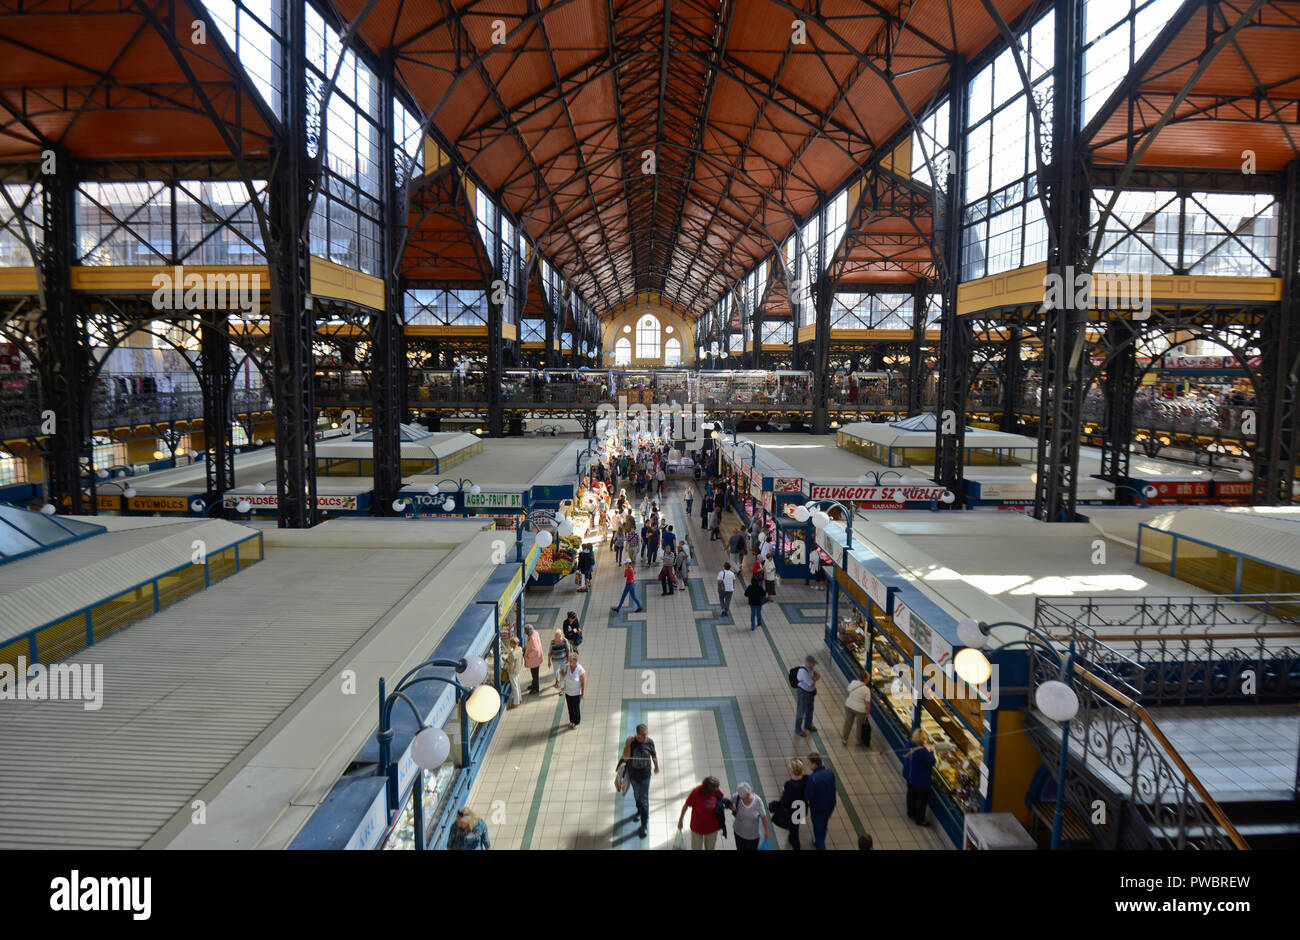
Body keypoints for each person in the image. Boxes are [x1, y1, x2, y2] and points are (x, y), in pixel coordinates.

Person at [618, 723, 660, 838]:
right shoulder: (631, 742)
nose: (645, 737)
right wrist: (627, 743)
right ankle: (639, 811)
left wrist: (656, 765)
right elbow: (626, 758)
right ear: (637, 734)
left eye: (646, 734)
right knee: (637, 796)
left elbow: (654, 755)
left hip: (645, 775)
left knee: (644, 800)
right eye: (642, 735)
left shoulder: (649, 742)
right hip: (633, 776)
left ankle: (644, 824)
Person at [677, 776, 724, 850]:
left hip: (712, 827)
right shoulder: (696, 792)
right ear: (707, 789)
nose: (717, 790)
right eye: (715, 789)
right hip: (697, 827)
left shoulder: (715, 790)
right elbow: (686, 806)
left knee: (710, 848)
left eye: (717, 788)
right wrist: (680, 820)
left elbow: (722, 799)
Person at [771, 758, 808, 851]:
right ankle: (791, 837)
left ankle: (796, 845)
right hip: (802, 808)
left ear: (791, 771)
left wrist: (784, 792)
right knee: (795, 827)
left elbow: (784, 802)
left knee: (794, 832)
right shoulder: (807, 779)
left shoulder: (789, 785)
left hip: (793, 812)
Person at [902, 729, 937, 826]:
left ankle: (910, 812)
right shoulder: (922, 752)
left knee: (911, 794)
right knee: (921, 800)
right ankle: (920, 820)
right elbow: (932, 762)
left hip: (909, 775)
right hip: (920, 779)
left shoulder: (909, 744)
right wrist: (931, 751)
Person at [805, 751, 837, 851]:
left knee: (819, 834)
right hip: (829, 807)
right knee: (823, 826)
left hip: (818, 809)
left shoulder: (813, 778)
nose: (809, 765)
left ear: (814, 764)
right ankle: (819, 839)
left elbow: (808, 795)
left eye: (809, 763)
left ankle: (819, 843)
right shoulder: (830, 773)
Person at [731, 782, 768, 851]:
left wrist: (766, 832)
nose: (747, 798)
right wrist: (732, 806)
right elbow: (730, 804)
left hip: (753, 837)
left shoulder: (758, 801)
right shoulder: (736, 797)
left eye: (748, 796)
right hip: (738, 833)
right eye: (744, 797)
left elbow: (764, 817)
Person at [842, 669, 871, 747]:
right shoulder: (867, 690)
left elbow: (848, 691)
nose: (869, 680)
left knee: (848, 723)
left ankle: (844, 739)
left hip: (849, 706)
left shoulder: (853, 682)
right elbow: (868, 703)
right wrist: (867, 713)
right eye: (868, 678)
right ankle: (859, 741)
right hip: (860, 710)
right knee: (859, 726)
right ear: (865, 679)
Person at [560, 653, 587, 730]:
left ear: (575, 661)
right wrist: (562, 669)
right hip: (568, 692)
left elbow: (583, 682)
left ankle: (576, 722)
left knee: (575, 708)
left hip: (576, 693)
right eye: (569, 661)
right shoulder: (568, 667)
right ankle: (571, 721)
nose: (569, 662)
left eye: (570, 661)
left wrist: (583, 693)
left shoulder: (580, 670)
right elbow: (563, 676)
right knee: (570, 708)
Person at [794, 654, 819, 736]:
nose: (814, 665)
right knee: (801, 712)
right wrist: (815, 678)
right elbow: (811, 683)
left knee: (810, 710)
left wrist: (815, 677)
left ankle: (808, 725)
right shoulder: (803, 671)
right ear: (808, 663)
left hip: (810, 693)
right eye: (813, 663)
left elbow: (816, 674)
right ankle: (798, 729)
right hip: (803, 694)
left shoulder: (810, 668)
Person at [523, 623, 544, 695]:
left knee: (535, 675)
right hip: (536, 659)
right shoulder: (535, 633)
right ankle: (533, 685)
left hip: (534, 659)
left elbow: (536, 650)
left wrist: (528, 655)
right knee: (533, 673)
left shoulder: (532, 639)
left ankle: (536, 688)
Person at [505, 636, 524, 708]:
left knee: (514, 687)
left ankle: (516, 702)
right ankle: (519, 699)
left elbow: (510, 662)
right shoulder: (520, 649)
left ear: (513, 643)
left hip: (512, 671)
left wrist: (505, 660)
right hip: (517, 670)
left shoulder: (512, 653)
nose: (510, 644)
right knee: (517, 685)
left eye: (510, 643)